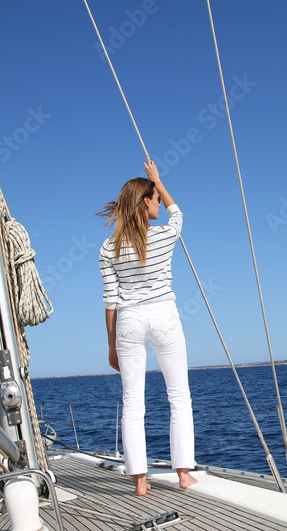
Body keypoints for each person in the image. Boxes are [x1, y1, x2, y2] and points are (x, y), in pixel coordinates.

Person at [98, 158, 198, 496]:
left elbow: (110, 301)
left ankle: (140, 482)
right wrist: (160, 181)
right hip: (164, 316)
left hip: (128, 321)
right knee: (179, 396)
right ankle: (183, 475)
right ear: (145, 202)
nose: (158, 202)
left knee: (132, 403)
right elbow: (178, 215)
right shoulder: (164, 237)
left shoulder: (107, 248)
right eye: (154, 198)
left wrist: (111, 345)